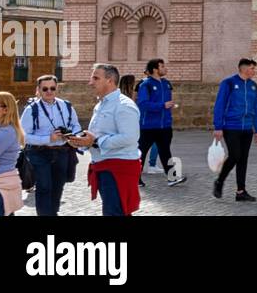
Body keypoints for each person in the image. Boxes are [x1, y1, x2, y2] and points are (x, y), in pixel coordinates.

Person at [67, 63, 142, 216]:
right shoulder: (100, 105)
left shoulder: (124, 105)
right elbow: (97, 134)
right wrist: (82, 142)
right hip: (104, 166)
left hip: (118, 168)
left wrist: (95, 142)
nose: (90, 82)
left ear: (110, 81)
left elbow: (130, 137)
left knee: (115, 212)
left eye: (95, 78)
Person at [19, 75, 82, 217]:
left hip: (62, 152)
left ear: (57, 88)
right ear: (39, 90)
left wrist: (72, 135)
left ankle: (52, 213)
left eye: (52, 88)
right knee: (44, 187)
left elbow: (76, 125)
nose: (49, 91)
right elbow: (22, 136)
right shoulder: (31, 109)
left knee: (58, 186)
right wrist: (48, 138)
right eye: (45, 89)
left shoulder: (66, 105)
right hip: (39, 153)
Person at [212, 57, 257, 202]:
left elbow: (256, 108)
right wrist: (218, 127)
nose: (254, 71)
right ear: (244, 69)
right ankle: (219, 181)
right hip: (231, 126)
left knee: (243, 159)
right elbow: (219, 105)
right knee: (235, 155)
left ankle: (241, 192)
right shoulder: (228, 83)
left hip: (247, 128)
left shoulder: (253, 86)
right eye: (252, 68)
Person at [137, 58, 186, 186]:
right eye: (162, 66)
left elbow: (166, 104)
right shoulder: (145, 85)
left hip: (165, 125)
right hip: (148, 126)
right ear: (155, 69)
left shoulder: (166, 84)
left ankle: (172, 178)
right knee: (141, 153)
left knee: (165, 152)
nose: (165, 69)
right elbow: (143, 104)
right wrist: (162, 105)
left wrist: (168, 108)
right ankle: (135, 179)